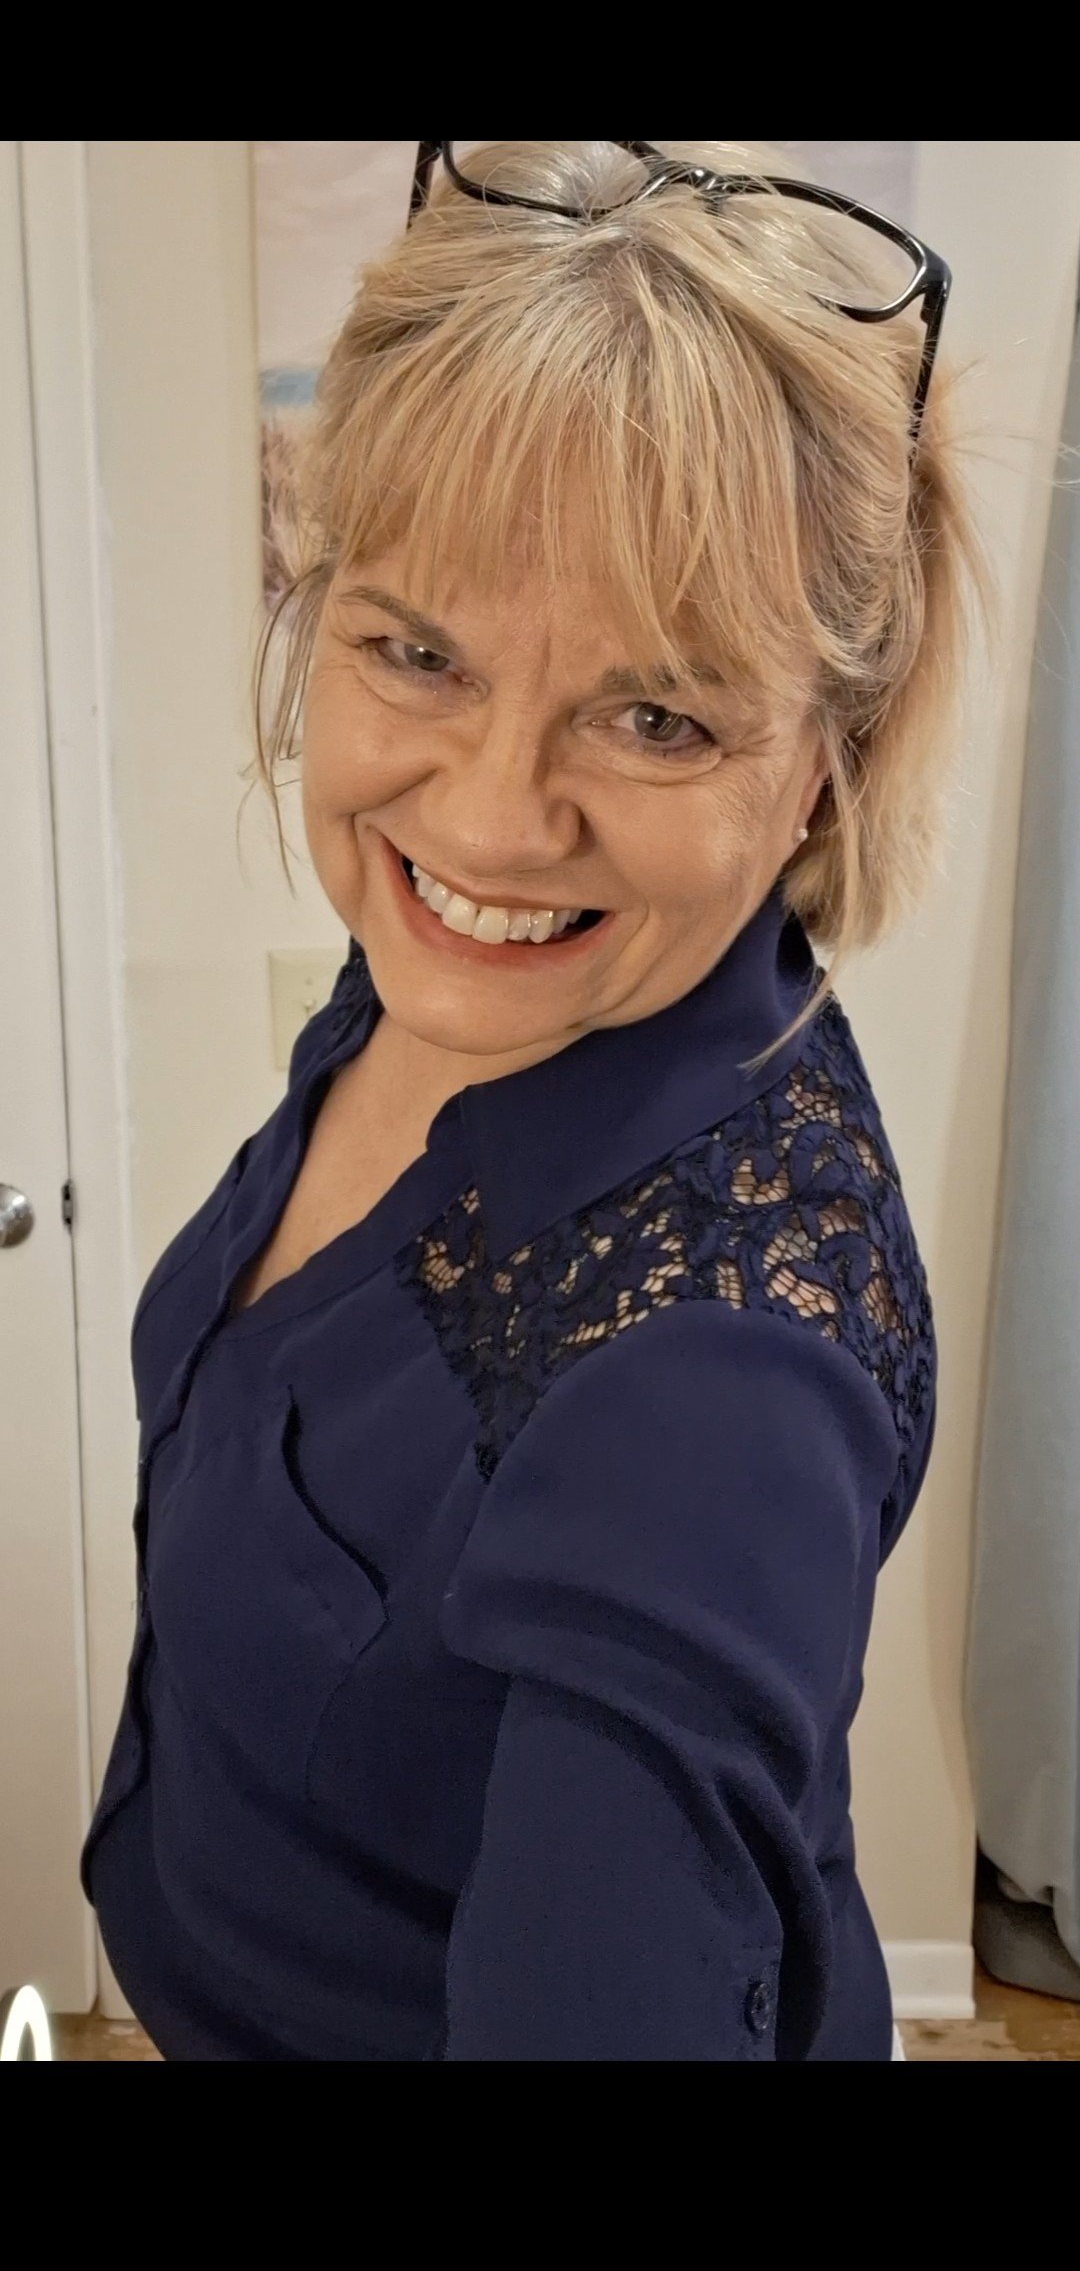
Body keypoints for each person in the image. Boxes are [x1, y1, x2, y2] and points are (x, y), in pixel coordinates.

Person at [81, 140, 976, 2060]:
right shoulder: (464, 977)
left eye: (656, 717)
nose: (491, 821)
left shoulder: (716, 1377)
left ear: (826, 760)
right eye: (419, 652)